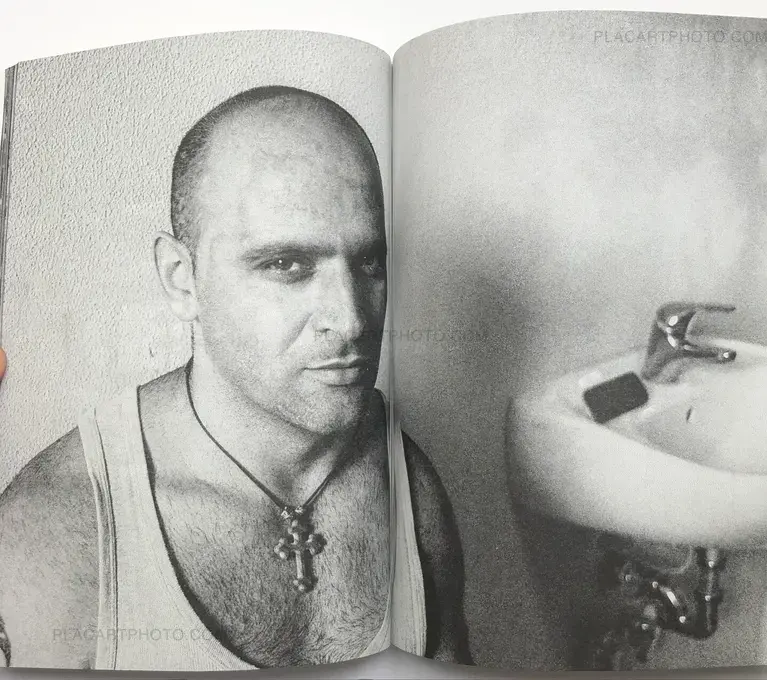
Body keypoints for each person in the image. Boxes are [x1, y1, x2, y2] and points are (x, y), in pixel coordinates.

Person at [0, 87, 470, 670]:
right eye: (286, 265)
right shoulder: (58, 530)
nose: (351, 319)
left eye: (370, 262)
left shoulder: (405, 479)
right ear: (182, 279)